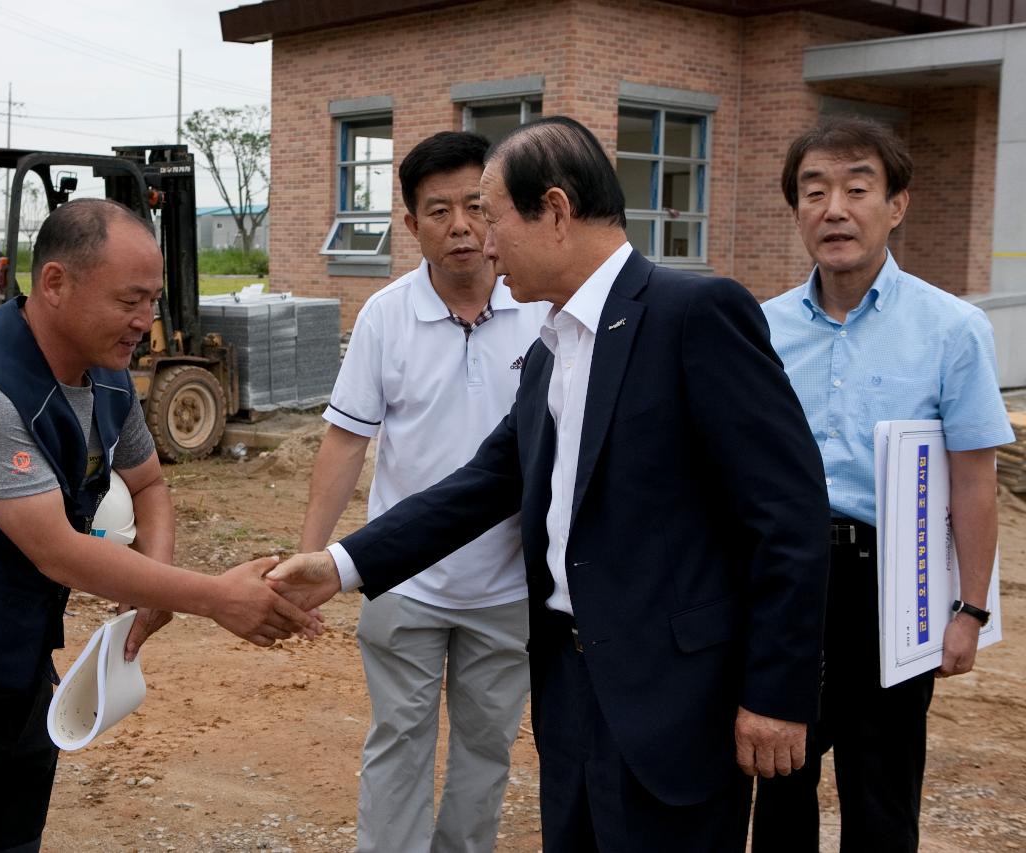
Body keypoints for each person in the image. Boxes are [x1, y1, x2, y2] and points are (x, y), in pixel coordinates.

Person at [269, 116, 830, 852]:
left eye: (493, 216)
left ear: (557, 211)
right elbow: (481, 486)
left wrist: (776, 695)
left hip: (672, 696)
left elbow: (789, 516)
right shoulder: (551, 347)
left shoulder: (694, 316)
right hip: (569, 683)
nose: (483, 240)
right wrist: (340, 564)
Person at [0, 198, 313, 852]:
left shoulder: (105, 376)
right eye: (130, 300)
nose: (146, 321)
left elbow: (149, 484)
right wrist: (216, 596)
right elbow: (58, 551)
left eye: (153, 300)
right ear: (54, 284)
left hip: (16, 679)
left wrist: (153, 580)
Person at [752, 116, 1014, 853]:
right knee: (779, 779)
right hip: (785, 581)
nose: (834, 208)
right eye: (814, 191)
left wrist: (967, 609)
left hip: (895, 584)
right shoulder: (760, 328)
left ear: (896, 204)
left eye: (857, 188)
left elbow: (973, 480)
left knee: (883, 790)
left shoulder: (952, 328)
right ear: (797, 209)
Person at [299, 130, 550, 852]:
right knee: (398, 741)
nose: (462, 226)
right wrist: (310, 559)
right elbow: (347, 439)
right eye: (438, 211)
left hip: (506, 586)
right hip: (403, 582)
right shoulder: (385, 315)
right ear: (411, 225)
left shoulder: (539, 308)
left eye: (477, 205)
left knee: (486, 750)